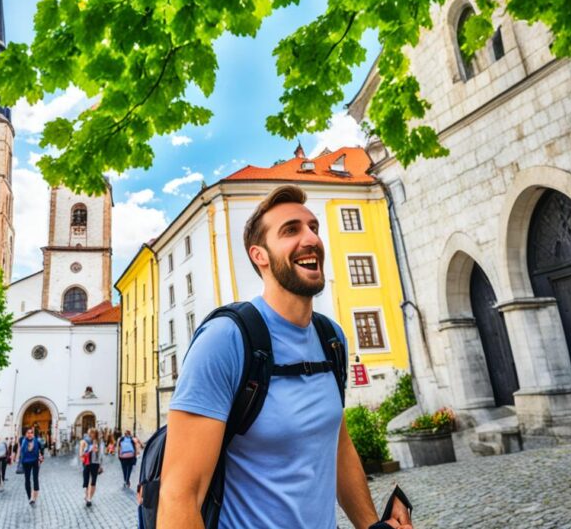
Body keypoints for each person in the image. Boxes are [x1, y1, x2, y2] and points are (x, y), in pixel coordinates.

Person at [157, 185, 413, 528]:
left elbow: (338, 447)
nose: (311, 239)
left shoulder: (331, 338)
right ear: (259, 255)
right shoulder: (225, 340)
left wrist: (371, 526)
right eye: (291, 230)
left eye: (313, 228)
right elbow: (179, 497)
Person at [18, 427, 43, 505]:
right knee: (27, 479)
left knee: (35, 478)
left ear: (33, 434)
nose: (30, 434)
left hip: (35, 461)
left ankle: (34, 497)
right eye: (28, 433)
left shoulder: (37, 441)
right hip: (26, 462)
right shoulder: (22, 440)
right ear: (25, 434)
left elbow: (41, 449)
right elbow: (19, 449)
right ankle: (30, 497)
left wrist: (41, 457)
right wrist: (16, 458)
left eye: (31, 433)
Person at [80, 428, 101, 507]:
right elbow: (81, 454)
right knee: (86, 481)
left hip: (95, 463)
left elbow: (100, 455)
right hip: (87, 463)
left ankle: (89, 498)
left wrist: (100, 465)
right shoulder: (84, 442)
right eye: (90, 433)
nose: (91, 435)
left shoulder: (98, 442)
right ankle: (87, 495)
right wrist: (89, 450)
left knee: (93, 481)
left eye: (93, 433)